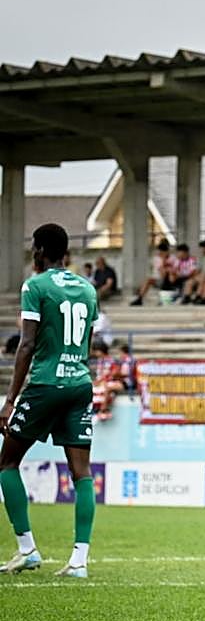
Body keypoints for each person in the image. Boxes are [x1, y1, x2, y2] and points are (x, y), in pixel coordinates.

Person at [0, 224, 99, 578]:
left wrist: (10, 400)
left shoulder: (35, 286)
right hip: (79, 383)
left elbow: (26, 344)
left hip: (46, 383)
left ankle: (28, 549)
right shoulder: (87, 289)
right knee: (82, 472)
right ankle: (79, 561)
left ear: (40, 250)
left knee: (7, 462)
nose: (33, 253)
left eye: (34, 247)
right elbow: (87, 343)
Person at [130, 240, 178, 306]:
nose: (161, 254)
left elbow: (175, 269)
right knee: (148, 280)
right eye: (160, 252)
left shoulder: (173, 258)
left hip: (171, 279)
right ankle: (139, 299)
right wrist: (164, 260)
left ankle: (166, 298)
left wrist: (168, 268)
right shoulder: (157, 258)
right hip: (159, 278)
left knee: (171, 274)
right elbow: (162, 273)